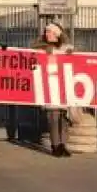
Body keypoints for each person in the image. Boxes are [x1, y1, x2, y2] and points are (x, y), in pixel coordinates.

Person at [33, 22, 75, 158]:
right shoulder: (42, 47)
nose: (47, 34)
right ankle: (55, 145)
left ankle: (63, 144)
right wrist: (47, 50)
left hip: (63, 86)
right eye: (46, 32)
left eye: (50, 32)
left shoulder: (65, 48)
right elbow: (34, 50)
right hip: (49, 86)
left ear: (57, 35)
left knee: (64, 118)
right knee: (53, 117)